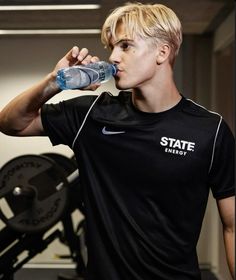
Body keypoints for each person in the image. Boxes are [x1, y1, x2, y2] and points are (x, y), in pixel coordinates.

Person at [0, 2, 234, 280]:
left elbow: (232, 225)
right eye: (112, 47)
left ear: (162, 51)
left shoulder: (211, 130)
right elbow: (12, 123)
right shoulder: (91, 115)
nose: (113, 57)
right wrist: (55, 81)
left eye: (125, 46)